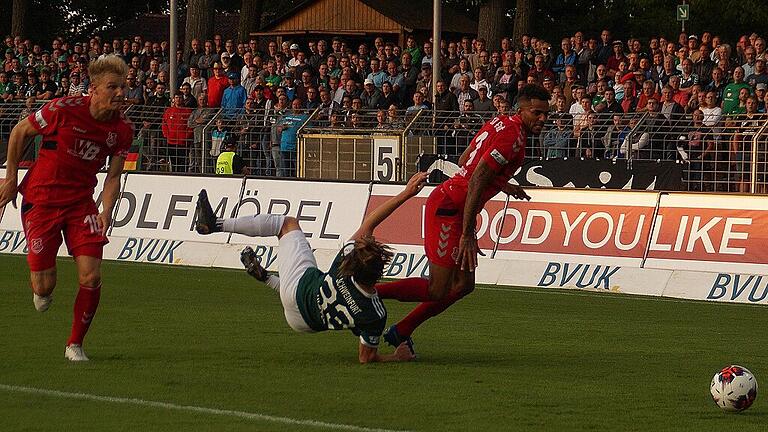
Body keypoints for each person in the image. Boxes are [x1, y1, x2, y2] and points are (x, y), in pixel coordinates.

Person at [377, 85, 549, 350]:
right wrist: (467, 234)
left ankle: (402, 329)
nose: (542, 119)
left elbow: (466, 158)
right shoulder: (513, 137)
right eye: (536, 113)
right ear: (522, 109)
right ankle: (369, 292)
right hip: (449, 210)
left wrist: (502, 183)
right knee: (438, 288)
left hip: (456, 206)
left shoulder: (500, 122)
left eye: (545, 114)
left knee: (464, 285)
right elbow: (478, 177)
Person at [192, 172, 430, 363]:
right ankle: (267, 278)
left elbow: (370, 222)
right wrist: (396, 357)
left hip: (297, 289)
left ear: (353, 265)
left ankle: (217, 224)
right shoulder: (376, 313)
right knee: (351, 318)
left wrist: (406, 193)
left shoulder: (343, 264)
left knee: (286, 224)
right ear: (378, 274)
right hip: (303, 323)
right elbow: (366, 358)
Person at [0, 55, 133, 361]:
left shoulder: (122, 129)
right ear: (94, 89)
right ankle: (42, 289)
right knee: (44, 288)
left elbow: (113, 178)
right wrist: (10, 178)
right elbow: (20, 131)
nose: (120, 93)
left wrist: (106, 211)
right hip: (42, 199)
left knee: (91, 276)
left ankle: (75, 344)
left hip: (80, 204)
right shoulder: (63, 109)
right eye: (112, 86)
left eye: (123, 86)